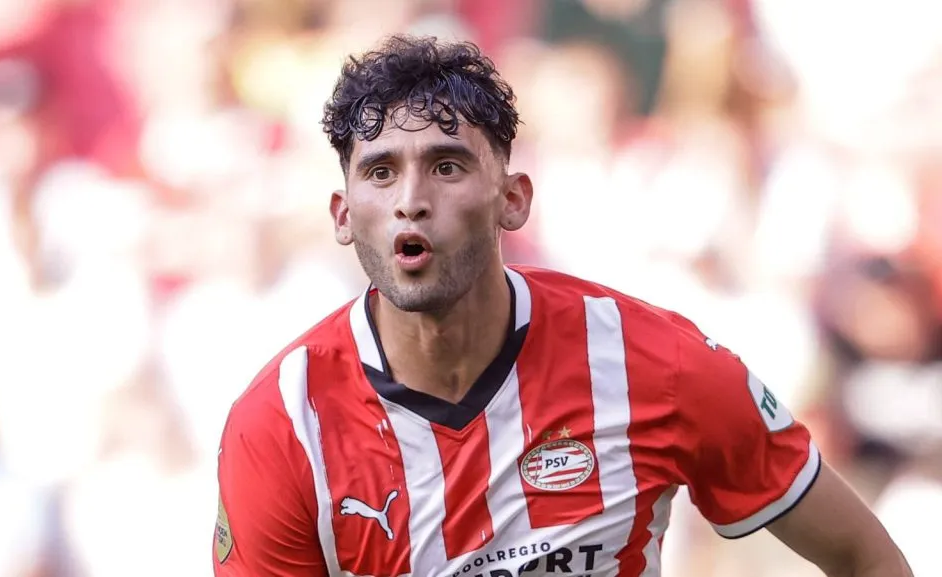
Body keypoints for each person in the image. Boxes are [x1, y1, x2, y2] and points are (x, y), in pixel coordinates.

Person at [212, 35, 912, 577]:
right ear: (342, 214)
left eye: (447, 165)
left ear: (514, 198)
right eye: (381, 171)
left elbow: (866, 555)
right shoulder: (282, 426)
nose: (410, 200)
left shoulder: (655, 365)